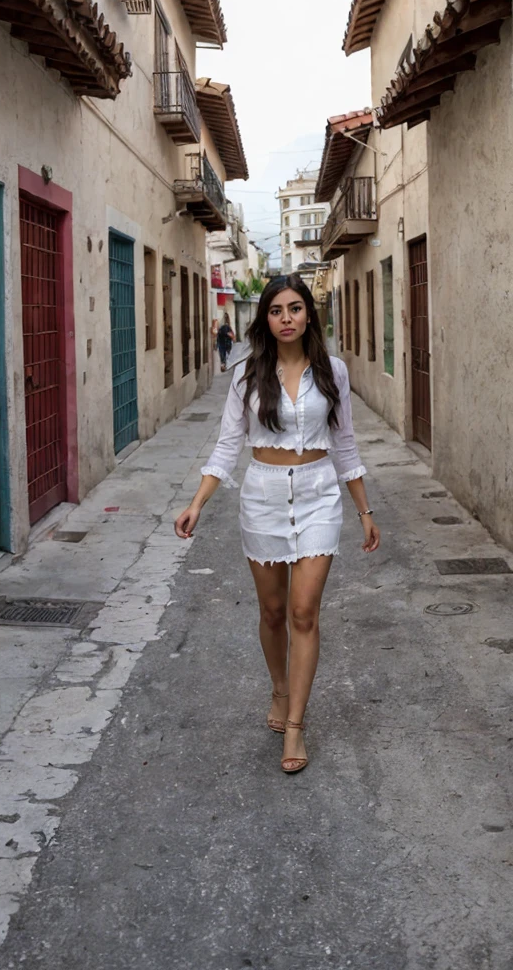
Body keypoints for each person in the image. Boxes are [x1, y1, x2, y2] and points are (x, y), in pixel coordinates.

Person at [174, 274, 380, 774]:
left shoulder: (333, 371)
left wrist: (364, 510)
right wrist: (198, 501)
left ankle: (295, 725)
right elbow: (227, 444)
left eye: (294, 308)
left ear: (309, 313)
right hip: (263, 496)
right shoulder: (247, 373)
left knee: (304, 611)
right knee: (272, 612)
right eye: (275, 310)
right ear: (264, 318)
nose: (286, 318)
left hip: (319, 495)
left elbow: (345, 442)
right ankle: (279, 688)